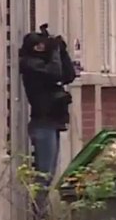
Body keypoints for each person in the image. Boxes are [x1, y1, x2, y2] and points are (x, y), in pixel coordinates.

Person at [20, 25, 77, 193]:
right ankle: (38, 213)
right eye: (39, 46)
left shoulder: (44, 62)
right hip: (42, 123)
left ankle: (40, 211)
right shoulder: (30, 64)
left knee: (49, 173)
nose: (42, 49)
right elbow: (55, 73)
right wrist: (54, 52)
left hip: (52, 122)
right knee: (43, 174)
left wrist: (62, 51)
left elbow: (68, 75)